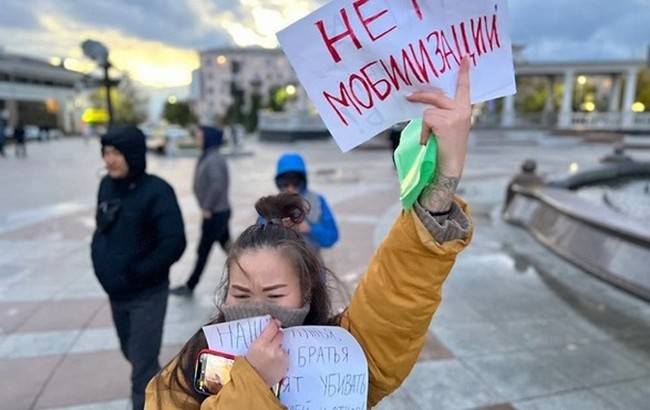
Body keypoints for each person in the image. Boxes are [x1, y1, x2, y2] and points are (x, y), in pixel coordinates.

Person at [145, 58, 474, 409]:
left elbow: (397, 297)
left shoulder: (343, 356)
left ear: (307, 294)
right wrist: (252, 383)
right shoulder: (182, 377)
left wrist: (441, 182)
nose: (257, 311)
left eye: (274, 295)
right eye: (241, 294)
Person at [91, 126, 186, 410]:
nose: (109, 160)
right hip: (116, 294)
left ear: (132, 154)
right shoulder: (106, 185)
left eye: (116, 153)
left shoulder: (157, 191)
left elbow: (174, 242)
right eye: (106, 152)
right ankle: (166, 396)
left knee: (142, 370)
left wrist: (139, 272)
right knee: (132, 354)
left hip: (147, 294)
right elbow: (103, 229)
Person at [171, 126, 231, 297]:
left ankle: (190, 285)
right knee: (229, 247)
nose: (196, 139)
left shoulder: (213, 159)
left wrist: (207, 206)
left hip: (215, 213)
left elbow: (217, 185)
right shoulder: (209, 155)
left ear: (208, 138)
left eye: (199, 136)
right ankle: (250, 271)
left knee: (203, 250)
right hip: (219, 211)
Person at [272, 152, 339, 252]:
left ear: (303, 181)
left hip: (312, 262)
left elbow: (332, 237)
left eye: (295, 182)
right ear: (278, 183)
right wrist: (277, 229)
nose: (290, 188)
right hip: (279, 263)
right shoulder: (270, 205)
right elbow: (259, 240)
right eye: (284, 183)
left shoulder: (316, 201)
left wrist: (310, 229)